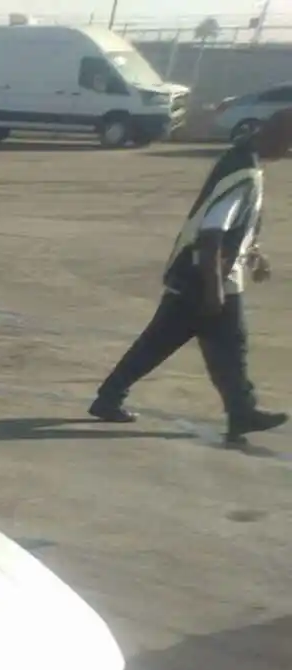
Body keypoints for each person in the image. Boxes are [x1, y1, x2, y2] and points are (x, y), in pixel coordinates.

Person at [90, 106, 292, 444]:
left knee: (168, 343)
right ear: (278, 136)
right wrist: (213, 288)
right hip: (207, 276)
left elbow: (230, 228)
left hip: (203, 274)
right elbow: (212, 231)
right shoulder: (242, 173)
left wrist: (253, 254)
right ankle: (241, 412)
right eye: (288, 145)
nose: (287, 154)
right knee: (221, 345)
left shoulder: (241, 161)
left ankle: (110, 396)